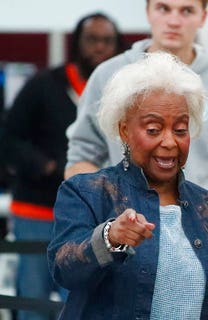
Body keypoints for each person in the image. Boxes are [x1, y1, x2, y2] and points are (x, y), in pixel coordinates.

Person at [47, 52, 208, 319]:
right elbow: (63, 269)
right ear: (124, 131)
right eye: (154, 130)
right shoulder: (87, 192)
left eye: (180, 130)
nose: (169, 142)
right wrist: (109, 238)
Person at [64, 0, 208, 212]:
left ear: (203, 17)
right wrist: (119, 203)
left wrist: (196, 208)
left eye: (187, 11)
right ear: (148, 12)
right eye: (164, 8)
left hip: (198, 236)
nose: (173, 21)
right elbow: (79, 161)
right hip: (122, 232)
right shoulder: (108, 76)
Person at [1, 12, 124, 320]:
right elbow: (8, 137)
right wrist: (45, 166)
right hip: (38, 210)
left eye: (107, 41)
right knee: (33, 300)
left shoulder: (121, 92)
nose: (100, 47)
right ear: (77, 44)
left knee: (83, 300)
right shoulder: (43, 84)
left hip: (91, 217)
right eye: (92, 40)